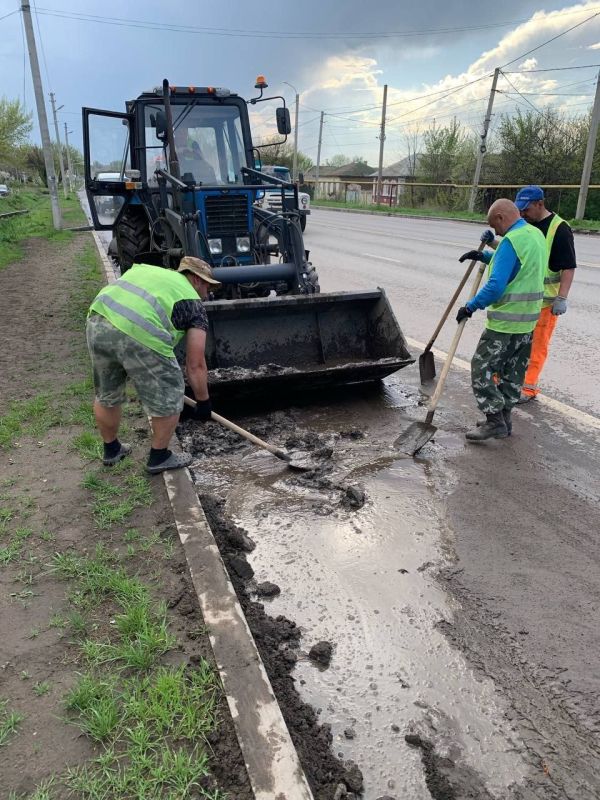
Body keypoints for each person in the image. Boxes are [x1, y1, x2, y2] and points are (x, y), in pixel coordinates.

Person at [86, 256, 220, 473]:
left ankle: (112, 450)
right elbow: (195, 364)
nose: (208, 292)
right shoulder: (193, 304)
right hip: (140, 333)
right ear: (196, 279)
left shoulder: (148, 271)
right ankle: (159, 456)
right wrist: (203, 400)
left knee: (107, 393)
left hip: (98, 320)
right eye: (208, 285)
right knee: (170, 392)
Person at [456, 199, 546, 441]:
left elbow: (496, 285)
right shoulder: (535, 234)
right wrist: (484, 256)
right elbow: (519, 267)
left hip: (504, 324)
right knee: (512, 371)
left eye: (494, 226)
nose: (495, 232)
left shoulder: (511, 241)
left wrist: (470, 306)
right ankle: (505, 420)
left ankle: (494, 420)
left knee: (481, 368)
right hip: (527, 322)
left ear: (500, 218)